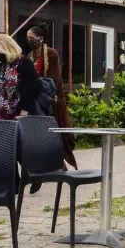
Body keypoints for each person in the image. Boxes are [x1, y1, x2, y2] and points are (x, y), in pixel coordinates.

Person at [27, 24, 78, 170]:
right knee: (39, 137)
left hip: (51, 101)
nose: (29, 41)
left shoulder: (51, 53)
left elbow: (54, 80)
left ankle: (60, 167)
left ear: (40, 38)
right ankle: (45, 169)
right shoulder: (30, 57)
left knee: (52, 136)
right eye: (28, 38)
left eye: (31, 38)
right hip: (36, 103)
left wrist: (42, 90)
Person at [0, 34, 42, 120]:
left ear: (7, 49)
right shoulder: (2, 66)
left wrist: (25, 109)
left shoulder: (23, 62)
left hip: (18, 116)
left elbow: (34, 85)